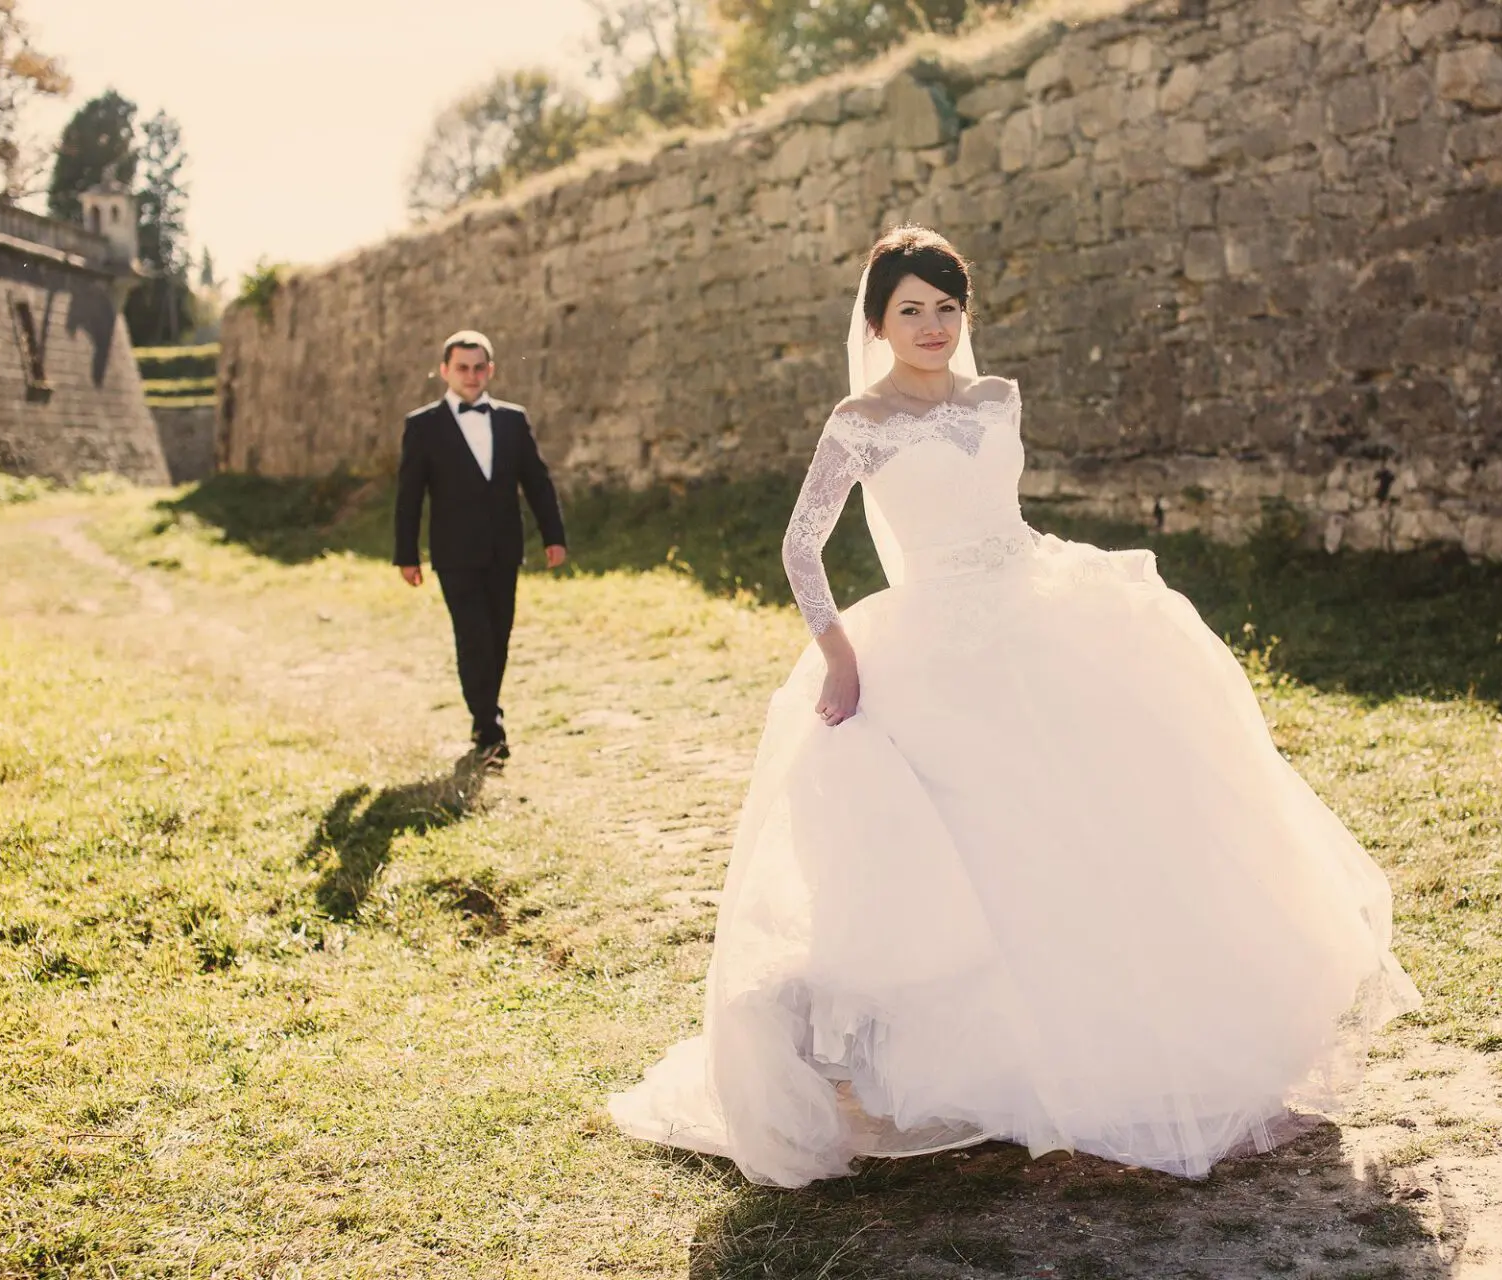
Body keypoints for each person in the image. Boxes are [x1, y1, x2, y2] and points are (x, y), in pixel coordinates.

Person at [608, 228, 1421, 1188]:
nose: (932, 326)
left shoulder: (997, 399)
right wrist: (837, 654)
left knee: (1100, 820)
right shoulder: (858, 420)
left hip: (1037, 606)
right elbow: (800, 547)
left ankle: (1123, 1036)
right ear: (877, 322)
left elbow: (1003, 515)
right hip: (931, 634)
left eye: (947, 308)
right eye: (910, 309)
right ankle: (975, 1062)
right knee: (967, 842)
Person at [393, 330, 567, 763]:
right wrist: (406, 554)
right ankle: (489, 727)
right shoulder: (423, 426)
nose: (471, 376)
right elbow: (409, 495)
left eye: (478, 367)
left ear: (490, 370)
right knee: (473, 638)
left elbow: (537, 482)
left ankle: (485, 713)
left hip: (504, 549)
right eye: (462, 368)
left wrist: (554, 535)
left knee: (498, 636)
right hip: (453, 555)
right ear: (445, 371)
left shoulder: (512, 419)